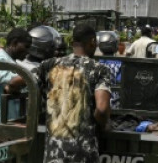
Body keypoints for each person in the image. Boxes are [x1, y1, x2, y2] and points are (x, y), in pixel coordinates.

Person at [36, 23, 113, 163]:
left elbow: (20, 81)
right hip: (83, 154)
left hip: (53, 154)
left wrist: (9, 89)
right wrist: (104, 124)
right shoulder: (99, 69)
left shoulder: (49, 65)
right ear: (92, 42)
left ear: (73, 43)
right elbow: (101, 110)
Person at [0, 27, 32, 124]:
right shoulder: (0, 59)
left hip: (8, 118)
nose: (28, 51)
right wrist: (32, 76)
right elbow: (6, 79)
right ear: (14, 43)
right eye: (26, 47)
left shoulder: (12, 62)